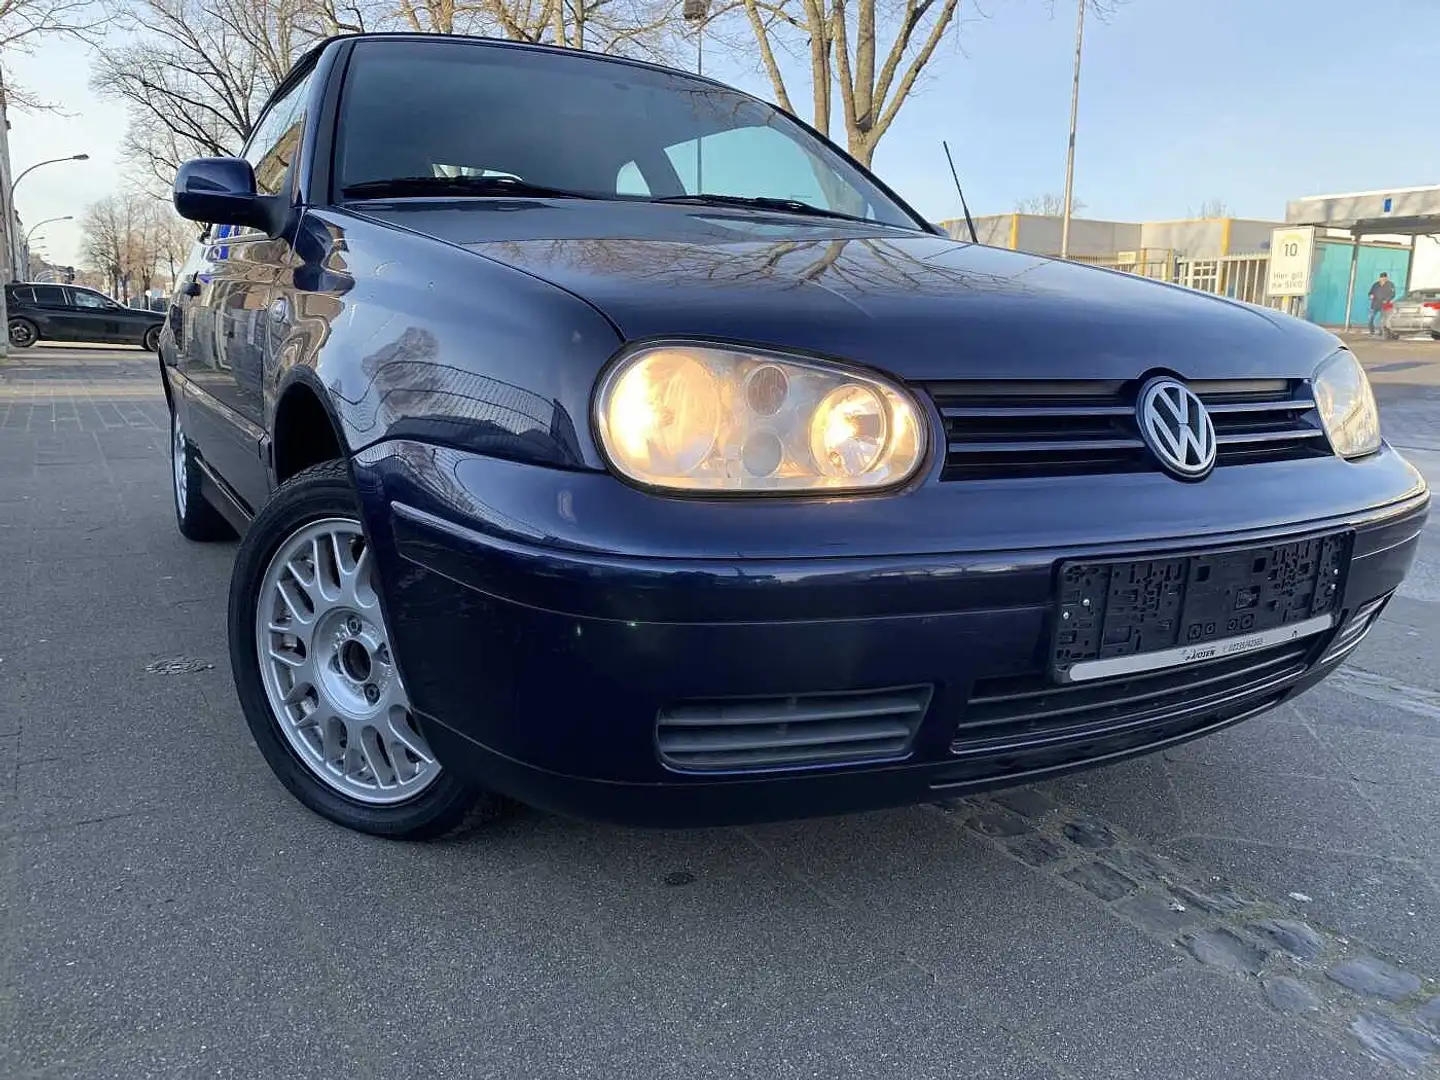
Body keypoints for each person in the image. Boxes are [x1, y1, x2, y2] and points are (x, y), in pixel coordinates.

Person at [1368, 272, 1396, 337]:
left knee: (1382, 319)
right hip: (1375, 304)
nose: (1383, 279)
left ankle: (1381, 332)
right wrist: (1370, 295)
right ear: (1379, 278)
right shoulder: (1375, 284)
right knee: (1370, 317)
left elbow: (1393, 294)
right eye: (1381, 278)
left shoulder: (1390, 284)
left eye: (1384, 278)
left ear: (1386, 278)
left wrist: (1387, 300)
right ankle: (1372, 331)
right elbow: (1370, 292)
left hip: (1384, 305)